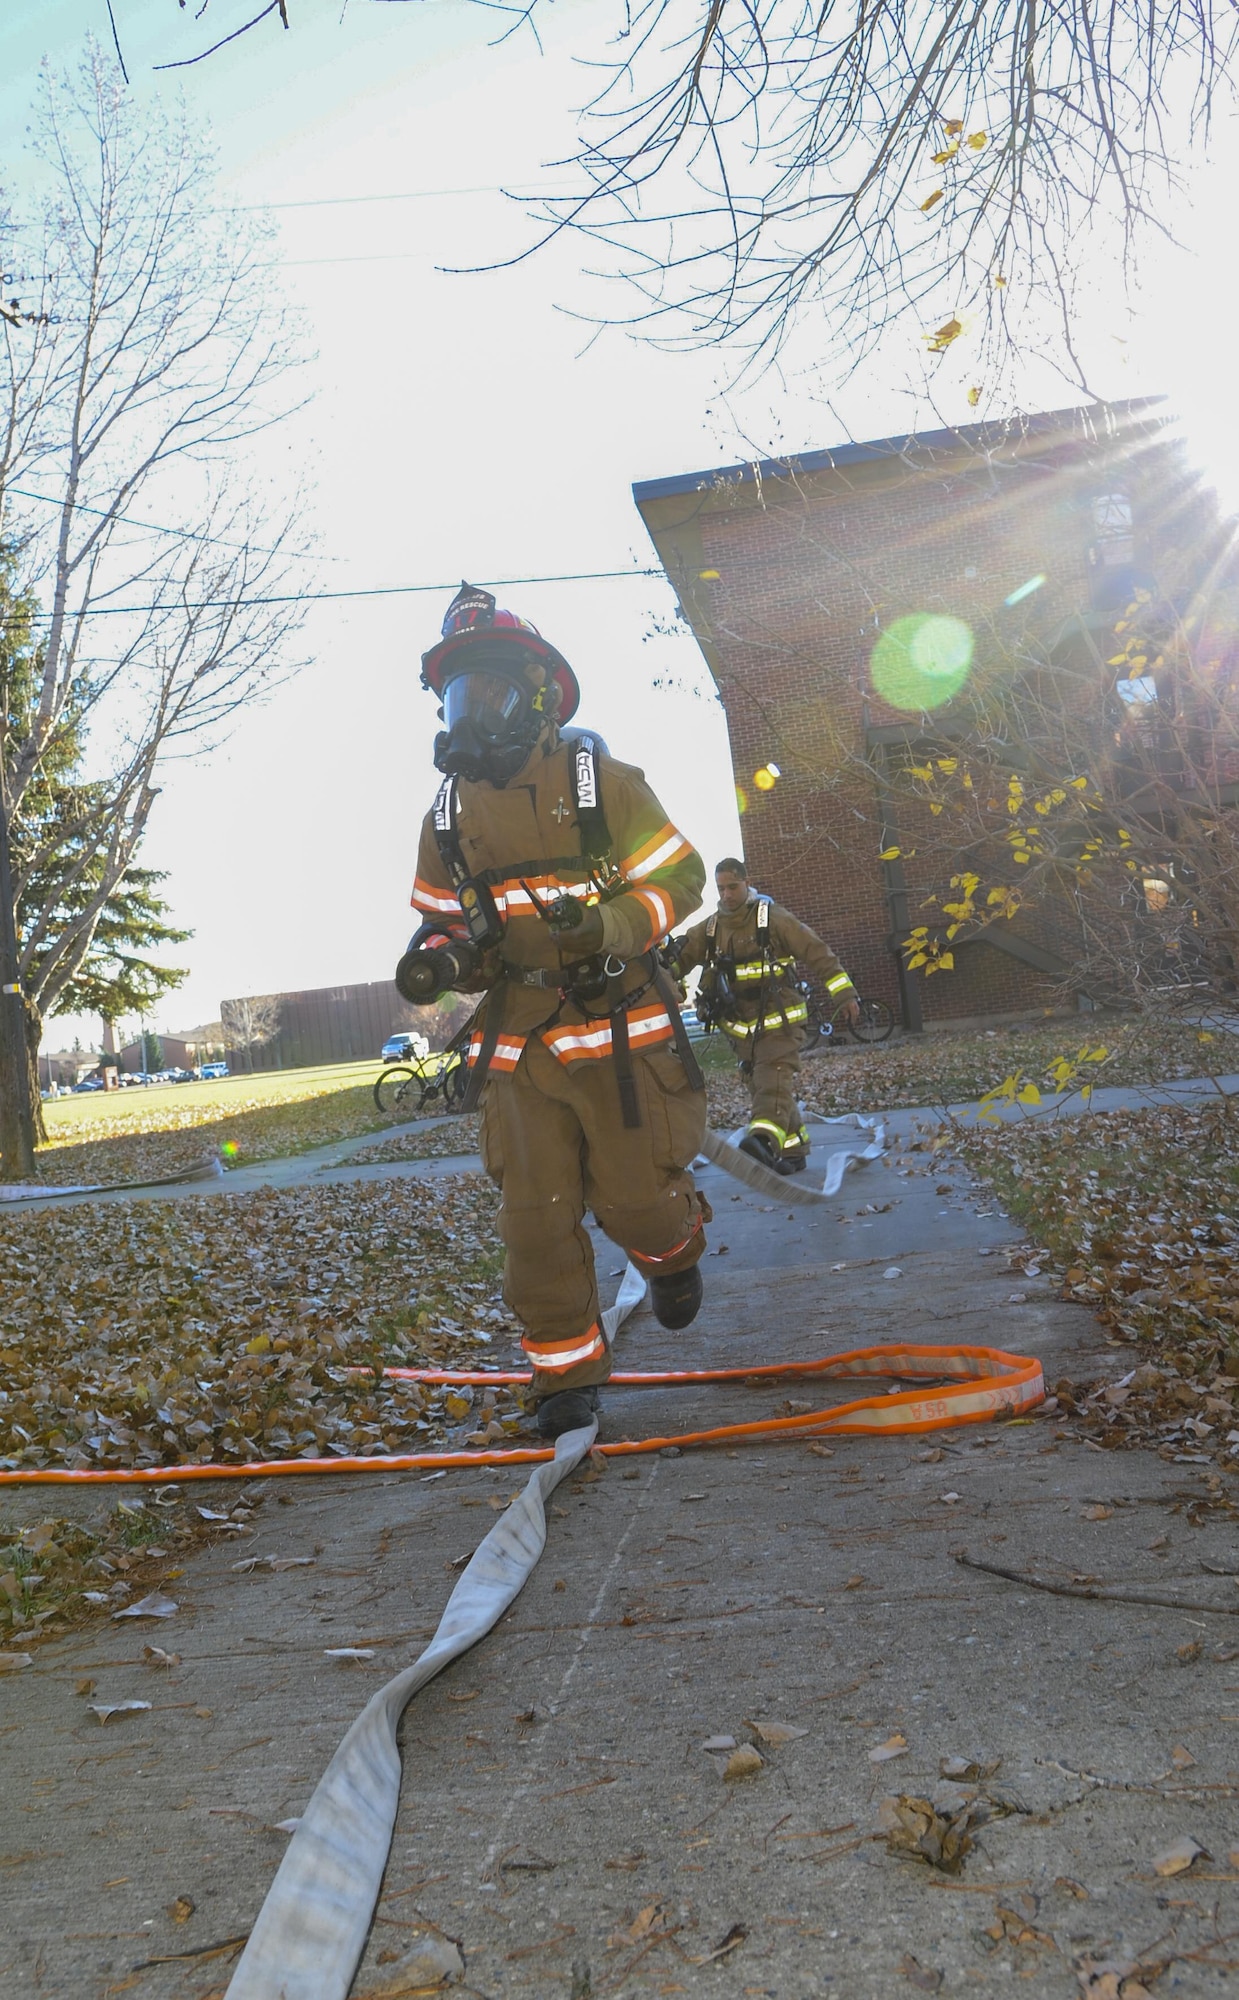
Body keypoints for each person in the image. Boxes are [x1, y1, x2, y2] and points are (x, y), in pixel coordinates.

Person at [397, 583, 712, 1441]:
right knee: (532, 1223)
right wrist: (440, 960)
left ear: (536, 693)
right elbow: (442, 919)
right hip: (519, 1046)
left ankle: (672, 1252)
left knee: (637, 1204)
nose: (472, 713)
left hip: (620, 1032)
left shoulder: (600, 782)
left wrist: (608, 923)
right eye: (459, 694)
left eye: (489, 690)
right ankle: (564, 1382)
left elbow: (680, 880)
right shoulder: (446, 817)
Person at [673, 857, 859, 1175]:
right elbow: (678, 960)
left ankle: (762, 1142)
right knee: (764, 1088)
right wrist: (662, 983)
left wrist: (845, 994)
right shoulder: (711, 928)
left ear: (747, 883)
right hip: (739, 1030)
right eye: (721, 889)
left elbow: (817, 951)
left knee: (772, 1080)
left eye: (733, 887)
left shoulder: (772, 918)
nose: (727, 894)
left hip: (780, 1021)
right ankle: (794, 1150)